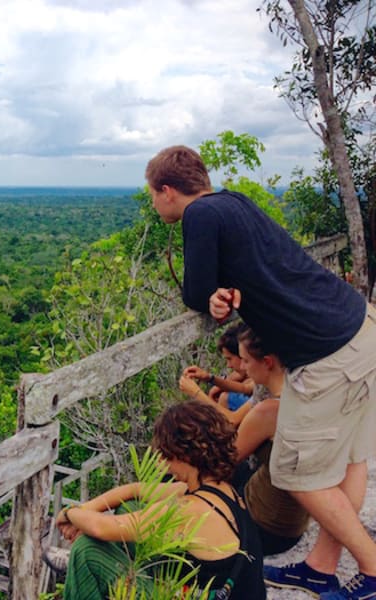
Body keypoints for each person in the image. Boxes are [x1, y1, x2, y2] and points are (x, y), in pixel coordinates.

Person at [146, 145, 376, 599]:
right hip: (360, 326)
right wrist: (229, 294)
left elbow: (195, 289)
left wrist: (208, 296)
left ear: (168, 191)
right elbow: (256, 270)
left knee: (297, 474)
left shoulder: (199, 216)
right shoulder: (236, 202)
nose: (156, 206)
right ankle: (320, 568)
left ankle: (371, 570)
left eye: (154, 197)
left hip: (325, 353)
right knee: (349, 458)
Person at [55, 401, 265, 600]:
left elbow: (103, 528)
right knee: (131, 508)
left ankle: (86, 578)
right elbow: (134, 490)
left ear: (183, 455)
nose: (165, 466)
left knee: (86, 551)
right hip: (221, 589)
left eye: (166, 456)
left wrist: (68, 513)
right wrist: (85, 509)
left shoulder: (190, 510)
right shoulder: (221, 488)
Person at [232, 325, 309, 555]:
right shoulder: (305, 390)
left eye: (245, 360)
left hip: (263, 527)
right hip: (292, 526)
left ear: (267, 362)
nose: (243, 368)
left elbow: (225, 460)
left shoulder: (268, 411)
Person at [179, 322, 256, 425]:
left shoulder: (266, 389)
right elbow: (245, 387)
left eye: (230, 359)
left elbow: (233, 419)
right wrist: (209, 378)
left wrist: (196, 392)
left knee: (226, 397)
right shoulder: (257, 378)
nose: (229, 365)